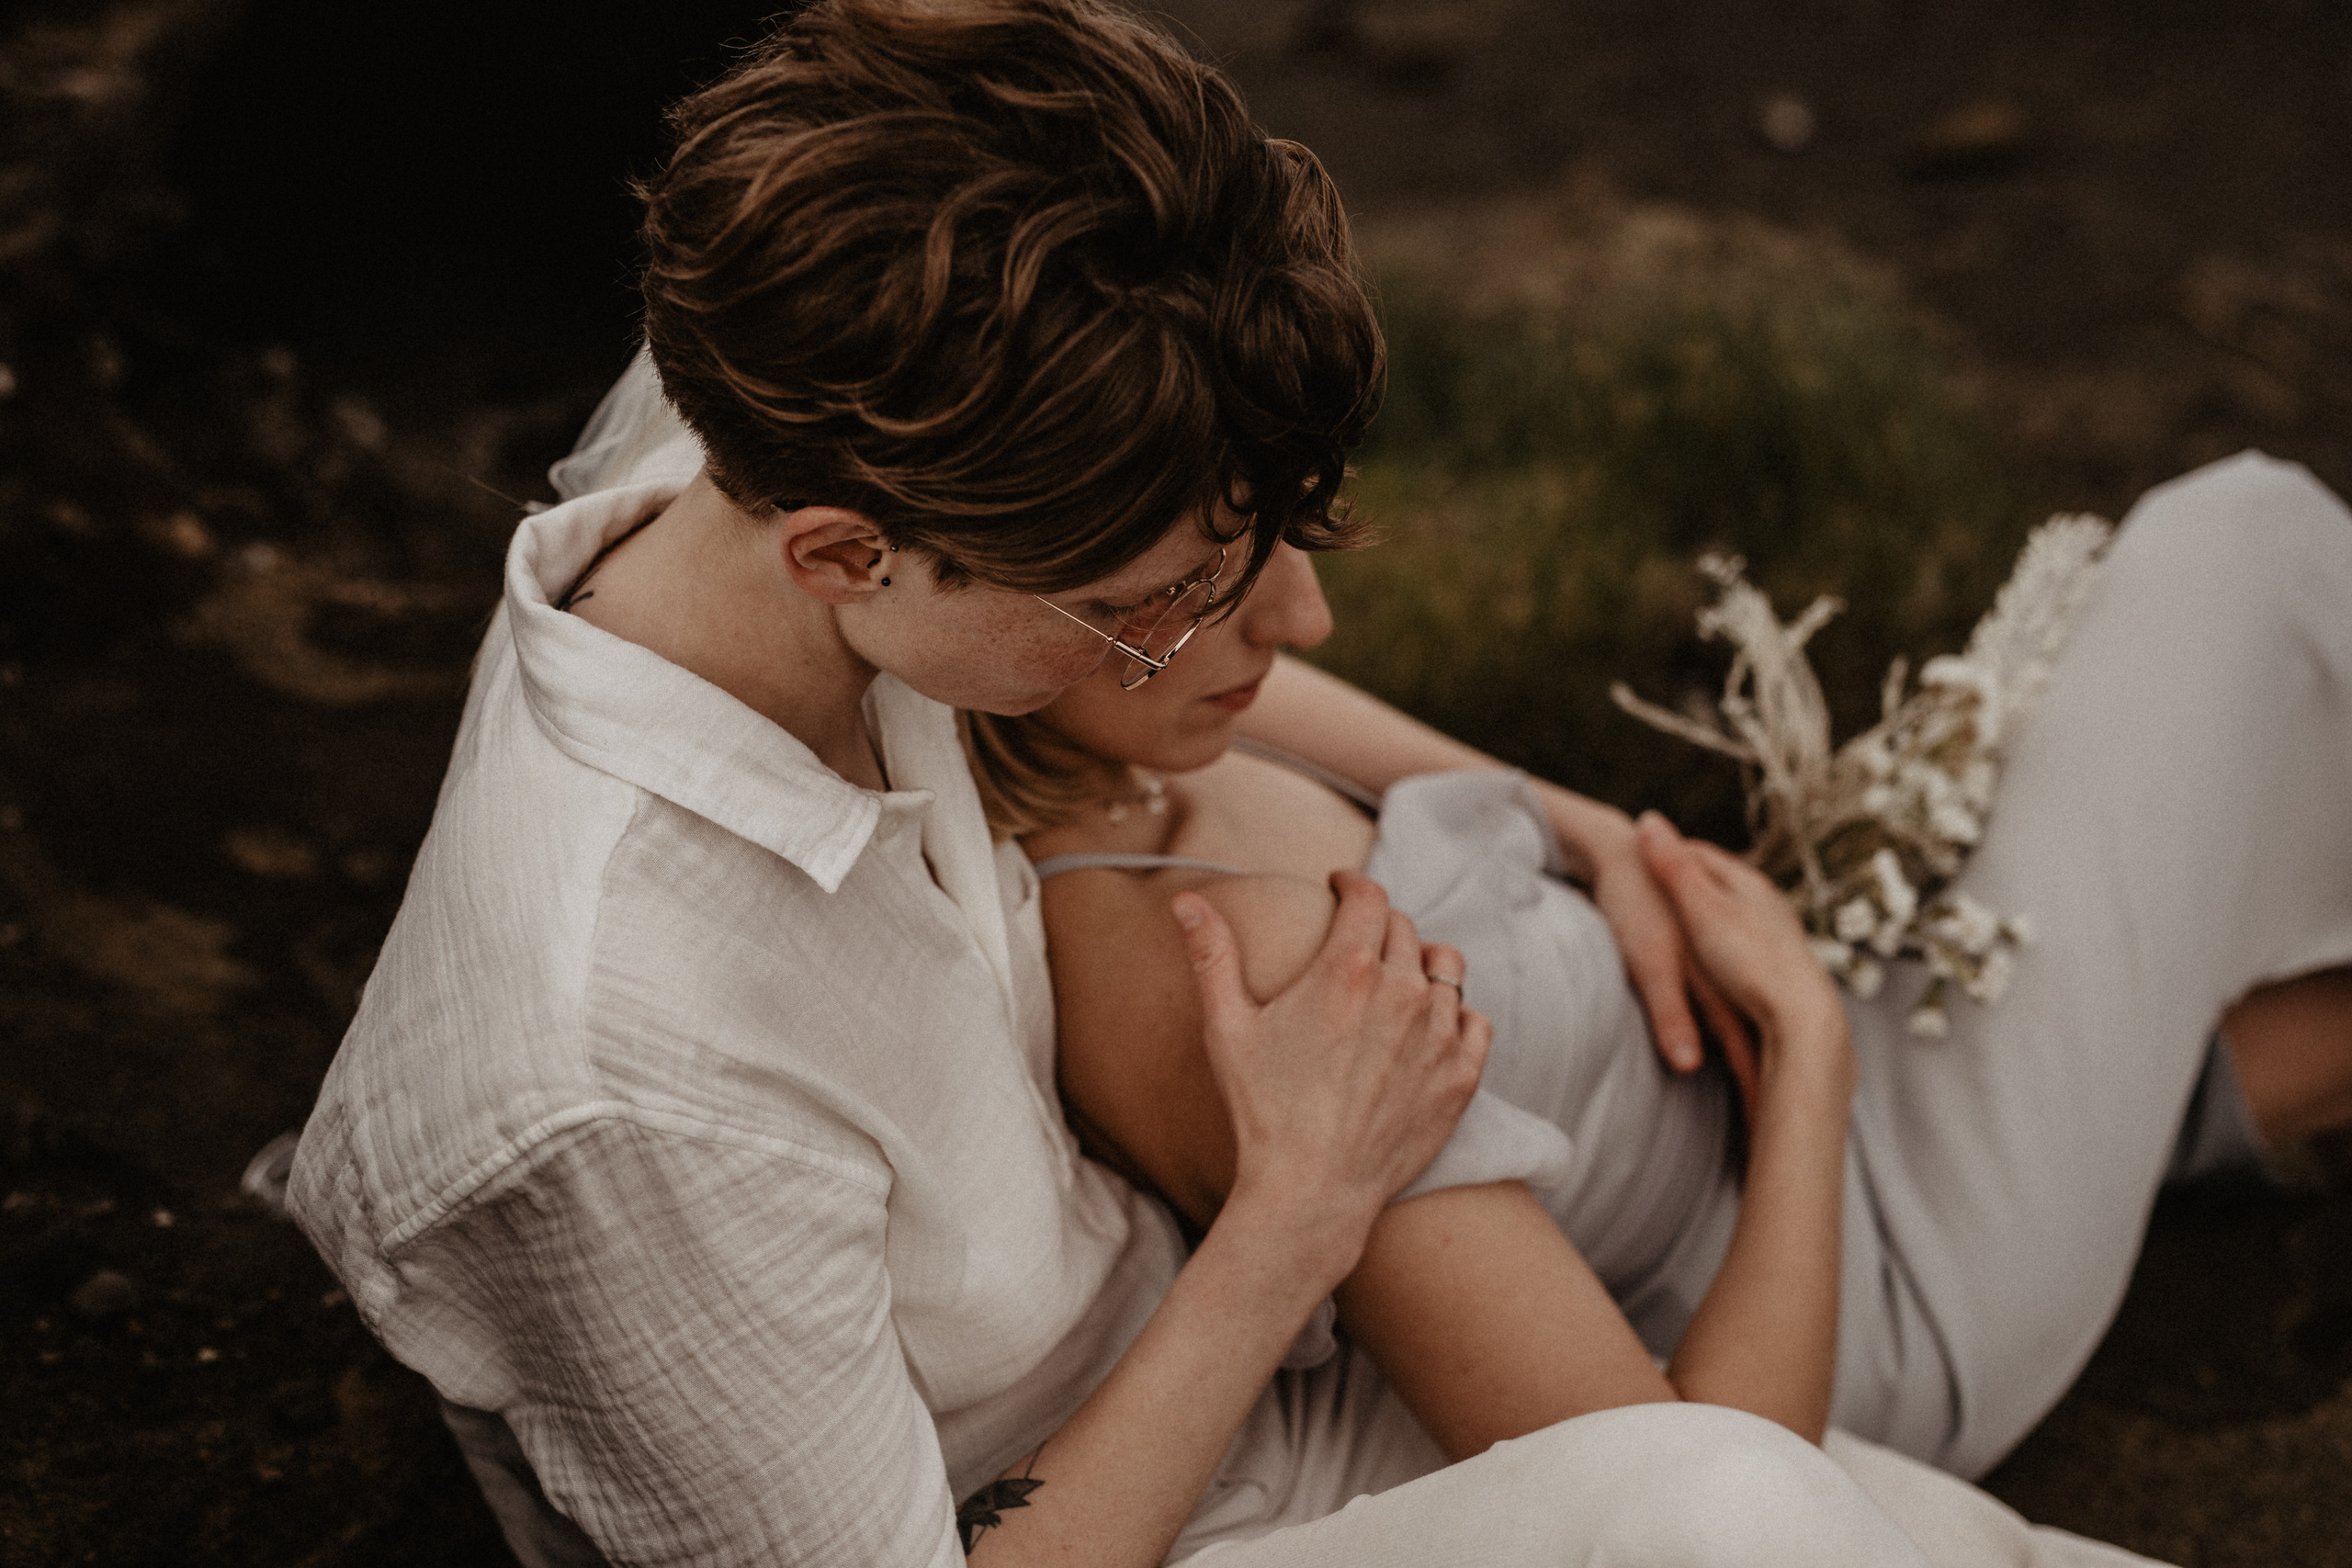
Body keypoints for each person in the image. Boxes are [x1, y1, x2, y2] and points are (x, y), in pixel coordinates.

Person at [943, 446, 2352, 1491]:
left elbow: (1512, 797)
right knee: (2247, 548)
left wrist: (1621, 849)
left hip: (1819, 1061)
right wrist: (1808, 1056)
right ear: (1002, 607)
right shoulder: (1230, 986)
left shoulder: (1148, 710)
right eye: (1205, 585)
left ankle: (2149, 1114)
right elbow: (1704, 1481)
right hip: (1854, 1292)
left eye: (1281, 535)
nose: (1302, 617)